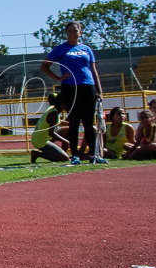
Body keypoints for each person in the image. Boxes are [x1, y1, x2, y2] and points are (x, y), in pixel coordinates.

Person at [40, 21, 107, 165]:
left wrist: (99, 90)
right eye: (69, 31)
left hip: (88, 86)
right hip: (71, 88)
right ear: (66, 33)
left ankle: (93, 155)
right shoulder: (60, 49)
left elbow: (93, 70)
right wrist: (58, 78)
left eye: (75, 30)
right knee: (74, 122)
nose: (73, 33)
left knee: (89, 123)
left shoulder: (87, 49)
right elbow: (44, 66)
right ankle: (75, 155)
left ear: (80, 32)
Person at [30, 93, 70, 163]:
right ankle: (37, 154)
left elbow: (57, 122)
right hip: (41, 141)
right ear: (61, 104)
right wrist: (65, 141)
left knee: (66, 131)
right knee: (65, 159)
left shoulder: (53, 109)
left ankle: (61, 153)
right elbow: (51, 133)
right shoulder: (53, 113)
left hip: (41, 137)